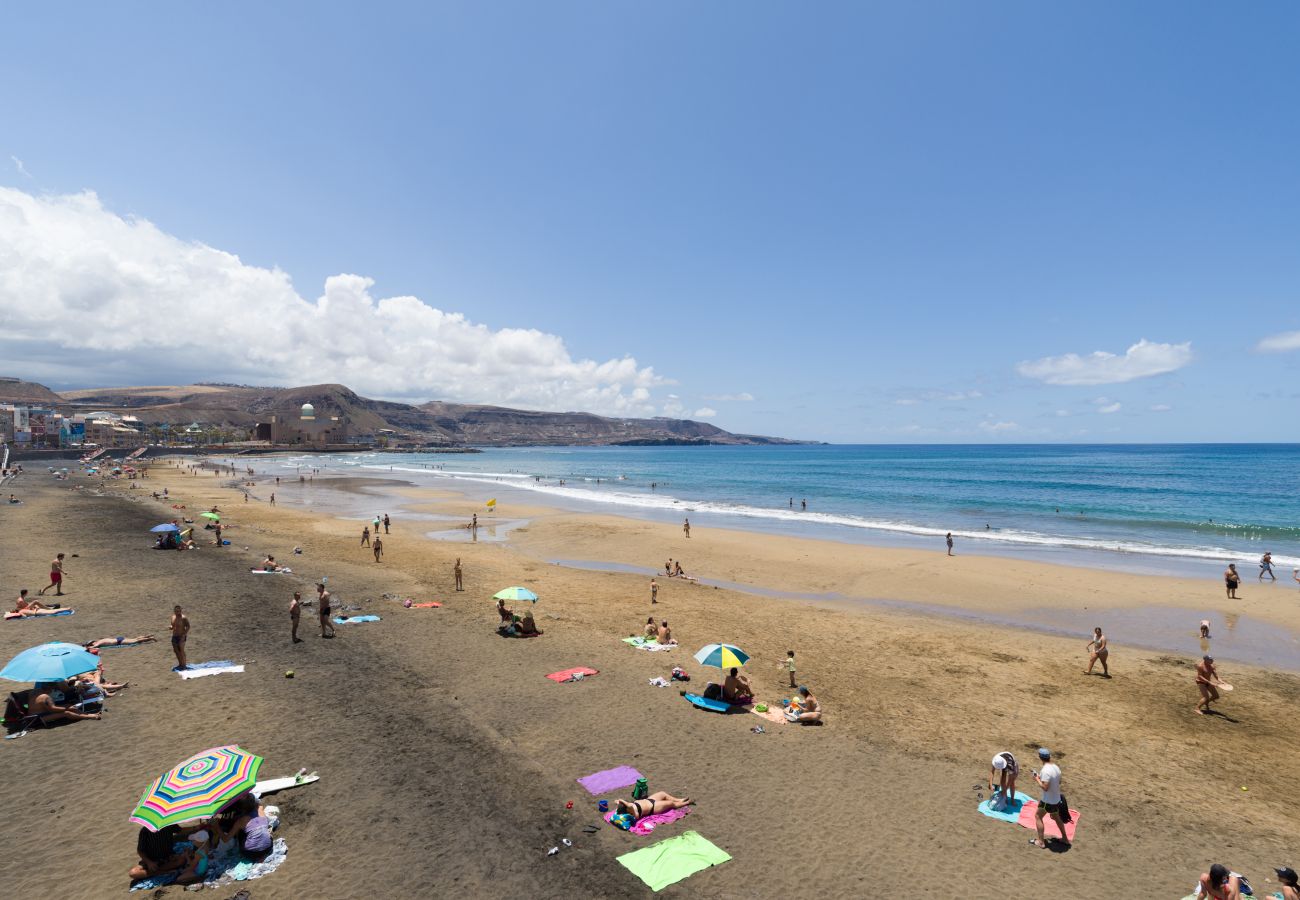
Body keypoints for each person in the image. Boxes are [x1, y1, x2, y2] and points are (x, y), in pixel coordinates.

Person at [219, 793, 275, 862]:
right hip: (268, 848)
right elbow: (258, 805)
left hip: (251, 853)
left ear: (241, 809)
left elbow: (225, 839)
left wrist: (216, 827)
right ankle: (261, 854)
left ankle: (250, 851)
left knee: (241, 832)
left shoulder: (240, 821)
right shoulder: (260, 810)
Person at [1031, 747, 1069, 848]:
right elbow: (1058, 782)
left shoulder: (1045, 770)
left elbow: (1045, 787)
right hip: (1056, 799)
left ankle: (1041, 842)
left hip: (1048, 801)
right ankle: (1065, 838)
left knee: (1038, 816)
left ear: (1040, 757)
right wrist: (1041, 778)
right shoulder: (1056, 767)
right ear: (1049, 756)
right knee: (1057, 818)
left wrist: (1037, 779)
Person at [28, 683, 102, 723]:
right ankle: (89, 716)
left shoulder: (35, 692)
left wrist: (68, 706)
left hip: (37, 714)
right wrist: (67, 708)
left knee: (68, 706)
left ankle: (89, 714)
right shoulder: (45, 697)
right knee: (66, 713)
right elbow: (53, 709)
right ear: (49, 689)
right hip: (37, 718)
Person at [613, 792, 694, 823]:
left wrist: (618, 802)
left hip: (650, 800)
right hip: (654, 807)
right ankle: (687, 802)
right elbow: (629, 805)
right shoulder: (633, 812)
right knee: (671, 803)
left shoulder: (627, 808)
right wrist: (621, 800)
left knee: (663, 794)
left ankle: (680, 800)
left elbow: (619, 803)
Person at [170, 605, 190, 670]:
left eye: (179, 611)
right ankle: (180, 664)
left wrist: (183, 636)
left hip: (181, 636)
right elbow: (172, 625)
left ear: (181, 610)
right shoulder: (173, 617)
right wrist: (171, 627)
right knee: (176, 651)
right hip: (174, 636)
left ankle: (184, 665)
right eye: (176, 611)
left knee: (181, 651)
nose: (178, 612)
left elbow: (188, 626)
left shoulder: (184, 618)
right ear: (174, 611)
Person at [84, 635, 155, 649]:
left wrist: (87, 647)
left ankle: (150, 638)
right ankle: (148, 636)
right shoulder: (99, 641)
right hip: (118, 639)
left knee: (135, 641)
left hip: (119, 641)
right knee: (135, 639)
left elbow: (95, 646)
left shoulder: (98, 642)